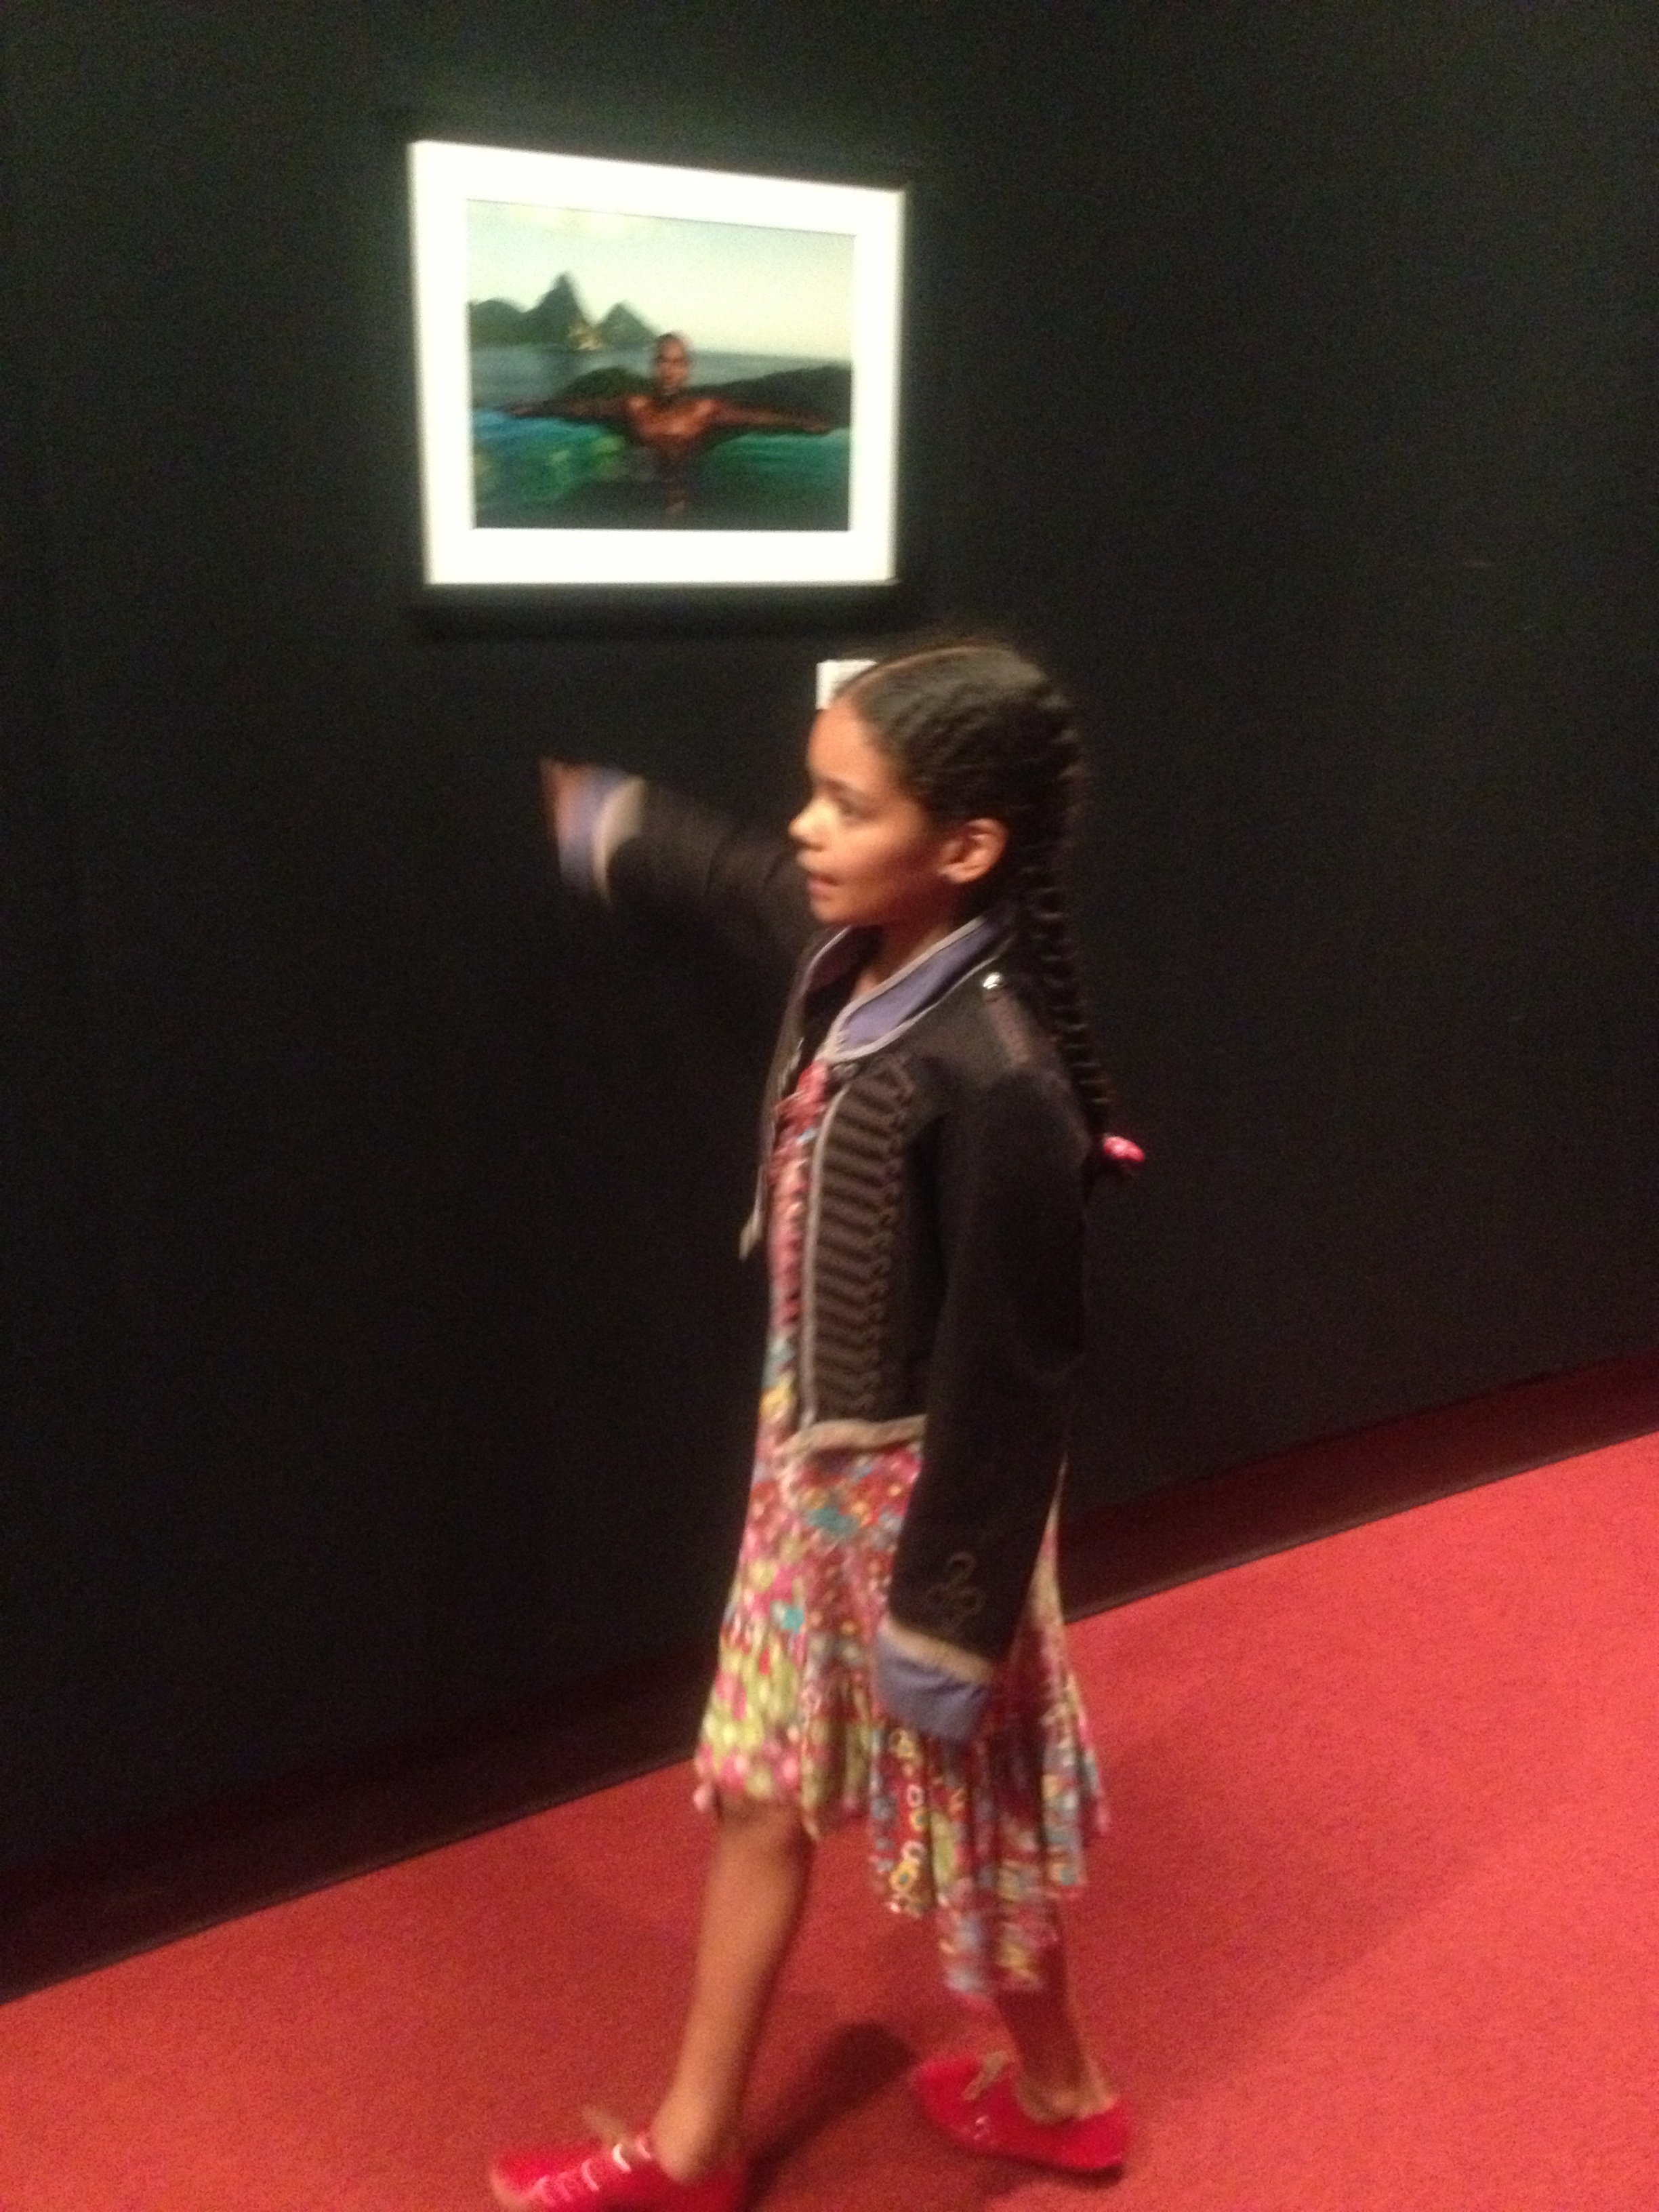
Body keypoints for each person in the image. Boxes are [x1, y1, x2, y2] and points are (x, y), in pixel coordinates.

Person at [493, 642, 1141, 2211]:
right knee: (759, 1788)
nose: (804, 825)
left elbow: (1013, 1382)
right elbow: (743, 881)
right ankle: (693, 2146)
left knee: (977, 1830)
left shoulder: (998, 1078)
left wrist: (948, 1623)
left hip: (926, 1519)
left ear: (964, 846)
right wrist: (616, 822)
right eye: (810, 790)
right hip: (807, 1475)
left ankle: (1063, 2093)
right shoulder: (849, 955)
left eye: (847, 804)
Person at [506, 332, 834, 516]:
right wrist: (536, 408)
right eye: (662, 362)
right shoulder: (635, 407)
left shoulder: (704, 411)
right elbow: (587, 408)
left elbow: (754, 417)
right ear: (654, 366)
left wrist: (801, 421)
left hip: (683, 500)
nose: (669, 371)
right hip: (636, 494)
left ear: (687, 370)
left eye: (677, 363)